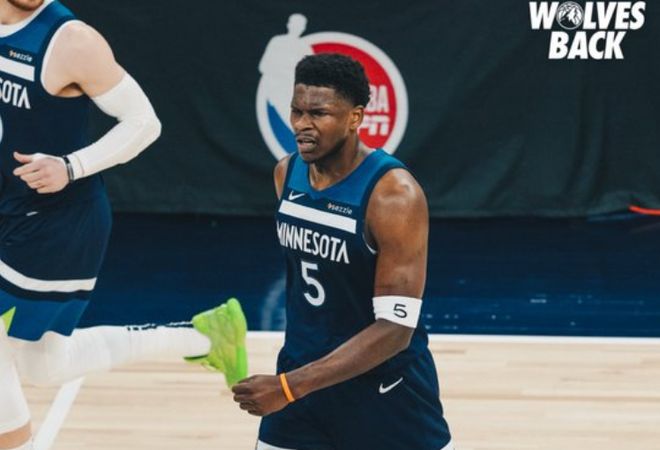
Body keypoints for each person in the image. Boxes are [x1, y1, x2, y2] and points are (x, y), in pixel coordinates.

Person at [0, 1, 246, 449]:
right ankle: (203, 336)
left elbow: (143, 123)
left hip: (57, 224)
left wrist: (71, 166)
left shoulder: (71, 40)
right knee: (43, 365)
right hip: (12, 211)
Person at [232, 53, 453, 450]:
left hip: (383, 389)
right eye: (297, 111)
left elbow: (396, 330)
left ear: (355, 117)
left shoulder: (394, 195)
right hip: (302, 379)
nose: (302, 125)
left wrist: (289, 387)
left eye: (318, 114)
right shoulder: (286, 173)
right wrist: (293, 383)